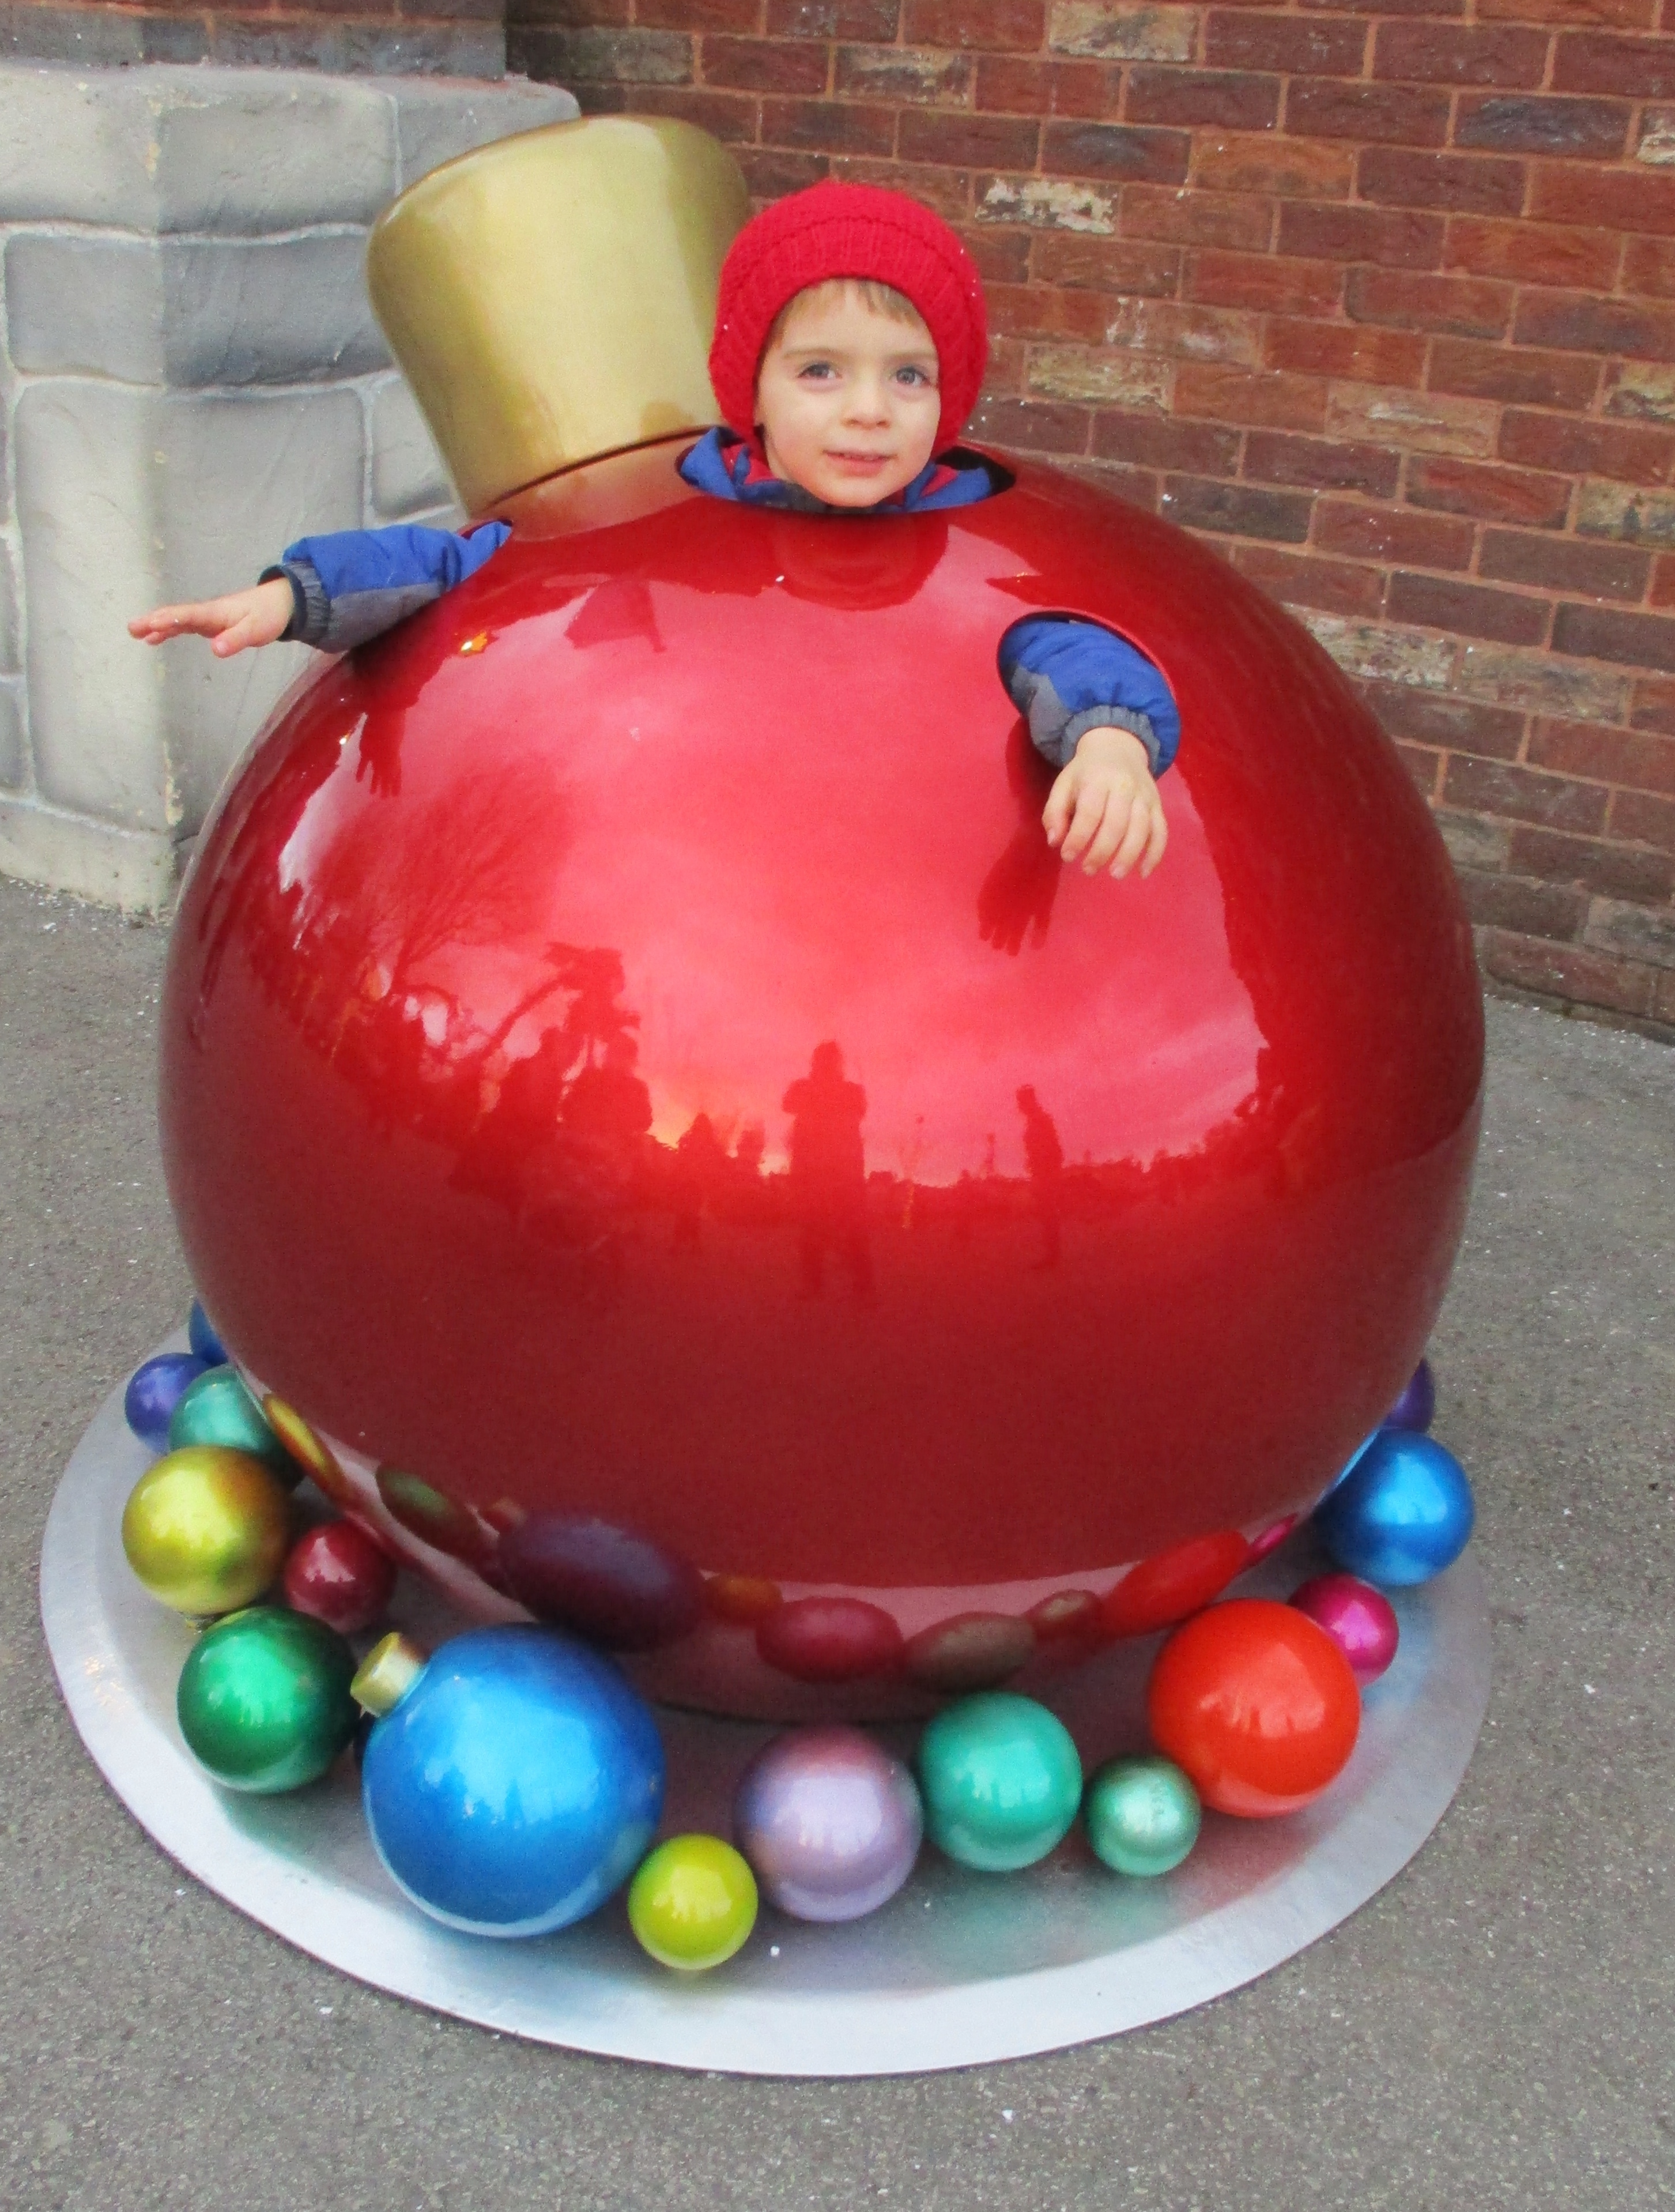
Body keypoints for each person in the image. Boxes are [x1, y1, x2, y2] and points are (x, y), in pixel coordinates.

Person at [130, 182, 1176, 882]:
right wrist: (294, 596)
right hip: (689, 848)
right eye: (820, 370)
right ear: (750, 390)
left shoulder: (973, 536)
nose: (869, 411)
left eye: (908, 376)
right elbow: (453, 563)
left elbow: (1062, 640)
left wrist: (1111, 744)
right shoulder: (651, 509)